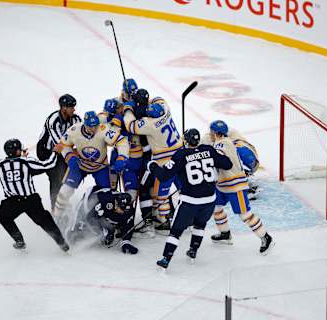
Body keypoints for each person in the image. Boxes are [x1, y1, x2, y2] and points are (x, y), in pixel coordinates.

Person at [148, 129, 233, 269]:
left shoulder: (181, 154)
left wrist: (152, 166)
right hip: (210, 200)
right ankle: (193, 250)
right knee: (200, 225)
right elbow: (227, 164)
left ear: (186, 141)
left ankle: (166, 259)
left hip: (190, 201)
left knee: (176, 231)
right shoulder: (209, 150)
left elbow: (163, 176)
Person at [208, 120, 274, 255]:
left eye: (211, 131)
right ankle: (225, 234)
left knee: (245, 215)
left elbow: (222, 162)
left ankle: (266, 238)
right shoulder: (224, 142)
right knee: (216, 208)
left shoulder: (222, 144)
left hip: (234, 186)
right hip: (222, 185)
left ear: (215, 132)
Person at [0, 139, 69, 252]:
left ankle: (19, 240)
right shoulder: (26, 162)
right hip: (30, 200)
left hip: (12, 201)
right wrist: (55, 152)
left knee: (2, 216)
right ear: (17, 151)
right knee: (46, 221)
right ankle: (62, 243)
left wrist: (21, 157)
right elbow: (48, 164)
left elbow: (14, 166)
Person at [124, 89, 182, 231]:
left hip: (164, 162)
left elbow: (130, 125)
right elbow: (159, 98)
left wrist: (128, 109)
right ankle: (189, 215)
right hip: (180, 155)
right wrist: (147, 101)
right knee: (183, 187)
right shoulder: (166, 109)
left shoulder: (149, 124)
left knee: (160, 192)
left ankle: (164, 221)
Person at [53, 111, 129, 219]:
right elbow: (63, 144)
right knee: (65, 191)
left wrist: (122, 157)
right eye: (90, 126)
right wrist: (69, 156)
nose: (93, 129)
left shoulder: (103, 130)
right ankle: (56, 217)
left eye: (95, 126)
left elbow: (122, 141)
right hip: (80, 166)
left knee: (107, 196)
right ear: (85, 124)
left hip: (100, 168)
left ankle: (106, 220)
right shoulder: (74, 131)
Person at [37, 94, 82, 208]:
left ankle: (63, 203)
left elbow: (82, 137)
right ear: (63, 108)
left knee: (67, 176)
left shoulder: (76, 119)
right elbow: (60, 143)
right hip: (47, 151)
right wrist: (74, 151)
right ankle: (55, 209)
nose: (74, 109)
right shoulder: (53, 120)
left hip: (65, 151)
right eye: (71, 107)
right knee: (56, 177)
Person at [64, 186, 139, 254]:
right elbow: (90, 217)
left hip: (102, 210)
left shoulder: (129, 210)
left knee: (107, 238)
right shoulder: (105, 201)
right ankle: (65, 220)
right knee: (75, 233)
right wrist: (103, 231)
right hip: (90, 199)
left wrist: (126, 241)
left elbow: (129, 225)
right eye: (118, 206)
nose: (118, 209)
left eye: (122, 208)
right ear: (116, 201)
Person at [202, 124, 260, 200]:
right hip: (250, 161)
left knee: (223, 152)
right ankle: (244, 177)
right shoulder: (210, 137)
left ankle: (246, 176)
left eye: (212, 131)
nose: (210, 133)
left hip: (248, 159)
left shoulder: (228, 137)